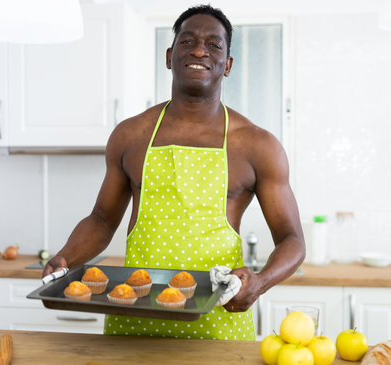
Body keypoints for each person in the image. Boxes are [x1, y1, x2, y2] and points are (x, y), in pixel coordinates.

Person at [43, 4, 305, 341]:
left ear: (227, 65)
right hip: (132, 323)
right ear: (169, 56)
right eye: (188, 41)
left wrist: (261, 280)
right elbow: (102, 221)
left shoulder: (258, 145)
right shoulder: (130, 136)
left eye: (214, 44)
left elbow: (292, 240)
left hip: (216, 326)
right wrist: (66, 257)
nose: (199, 50)